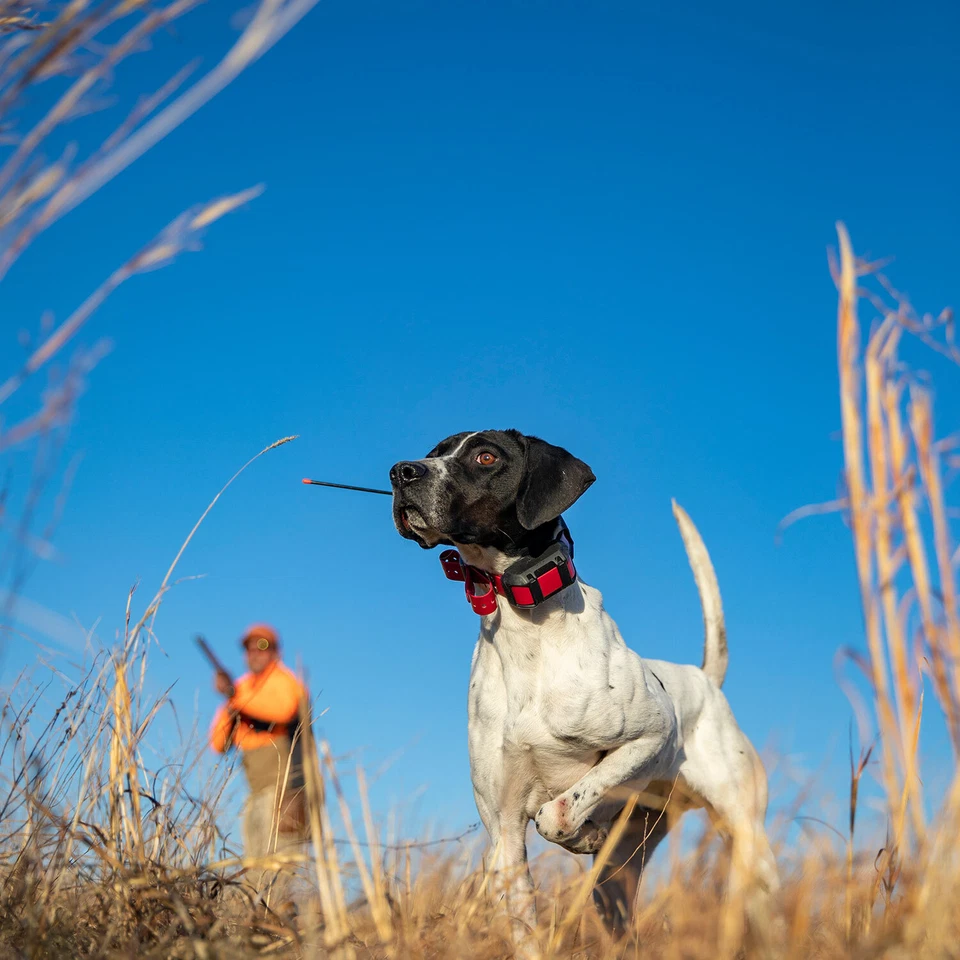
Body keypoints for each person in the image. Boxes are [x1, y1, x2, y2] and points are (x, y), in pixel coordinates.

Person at [209, 623, 308, 902]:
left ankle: (282, 930)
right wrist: (230, 702)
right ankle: (260, 931)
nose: (255, 653)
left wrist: (236, 698)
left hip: (284, 790)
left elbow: (281, 712)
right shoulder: (242, 688)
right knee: (254, 868)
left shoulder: (284, 681)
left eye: (262, 646)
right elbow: (218, 743)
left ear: (276, 651)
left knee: (279, 872)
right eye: (249, 647)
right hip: (256, 793)